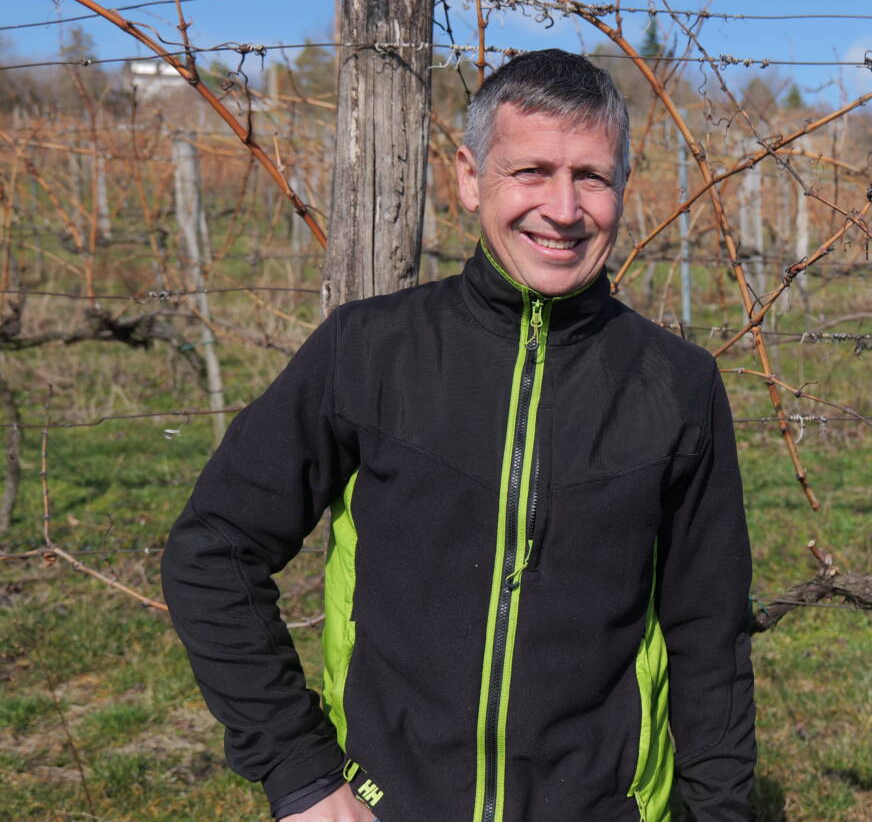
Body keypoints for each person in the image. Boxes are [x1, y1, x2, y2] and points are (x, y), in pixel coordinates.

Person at [162, 49, 755, 822]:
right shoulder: (369, 352)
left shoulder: (677, 386)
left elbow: (710, 635)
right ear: (470, 178)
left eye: (592, 177)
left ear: (623, 189)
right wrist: (301, 772)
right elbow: (214, 550)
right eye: (531, 171)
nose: (564, 209)